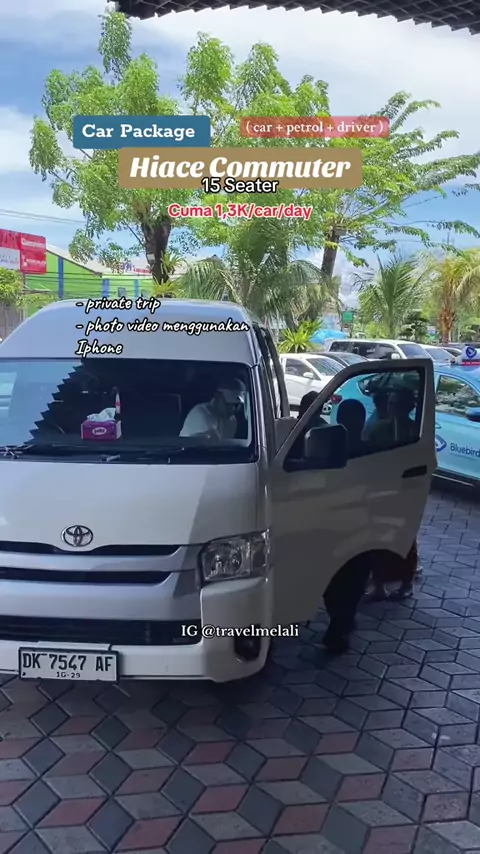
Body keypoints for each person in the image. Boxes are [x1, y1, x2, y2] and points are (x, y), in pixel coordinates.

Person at [180, 379, 244, 439]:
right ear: (217, 396)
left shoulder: (232, 421)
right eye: (227, 404)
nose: (232, 409)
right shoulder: (201, 413)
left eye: (236, 405)